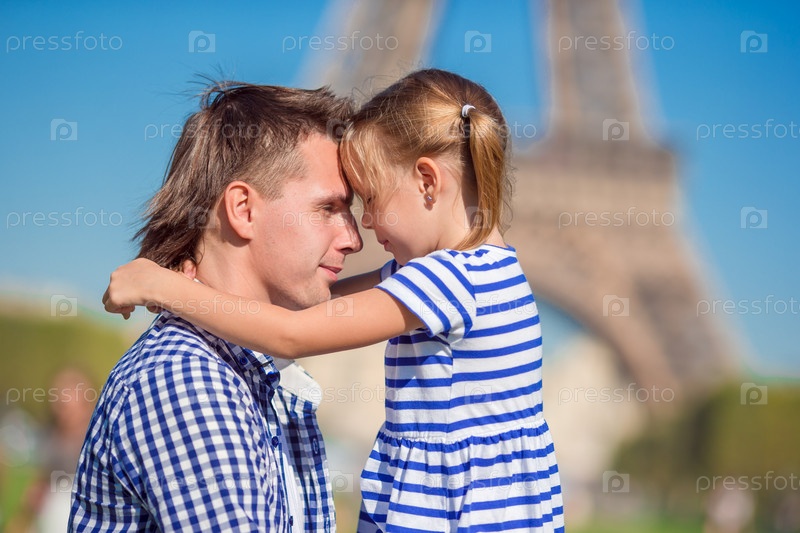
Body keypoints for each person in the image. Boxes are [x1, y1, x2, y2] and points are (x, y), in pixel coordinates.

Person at [104, 69, 565, 532]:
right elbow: (321, 306)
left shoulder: (444, 280)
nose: (363, 230)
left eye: (369, 199)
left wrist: (166, 287)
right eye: (332, 207)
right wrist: (208, 298)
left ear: (427, 181)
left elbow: (292, 334)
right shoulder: (486, 272)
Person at [72, 82, 363, 531]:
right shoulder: (188, 380)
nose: (354, 239)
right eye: (328, 208)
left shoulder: (243, 373)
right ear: (243, 209)